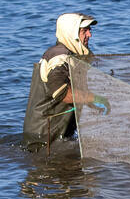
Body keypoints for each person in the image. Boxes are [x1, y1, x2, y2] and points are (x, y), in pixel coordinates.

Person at [23, 12, 110, 150]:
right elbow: (62, 93)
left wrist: (93, 105)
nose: (89, 35)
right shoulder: (58, 58)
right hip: (43, 136)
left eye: (89, 30)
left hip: (58, 133)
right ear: (72, 33)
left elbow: (76, 91)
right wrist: (93, 98)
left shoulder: (72, 56)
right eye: (84, 31)